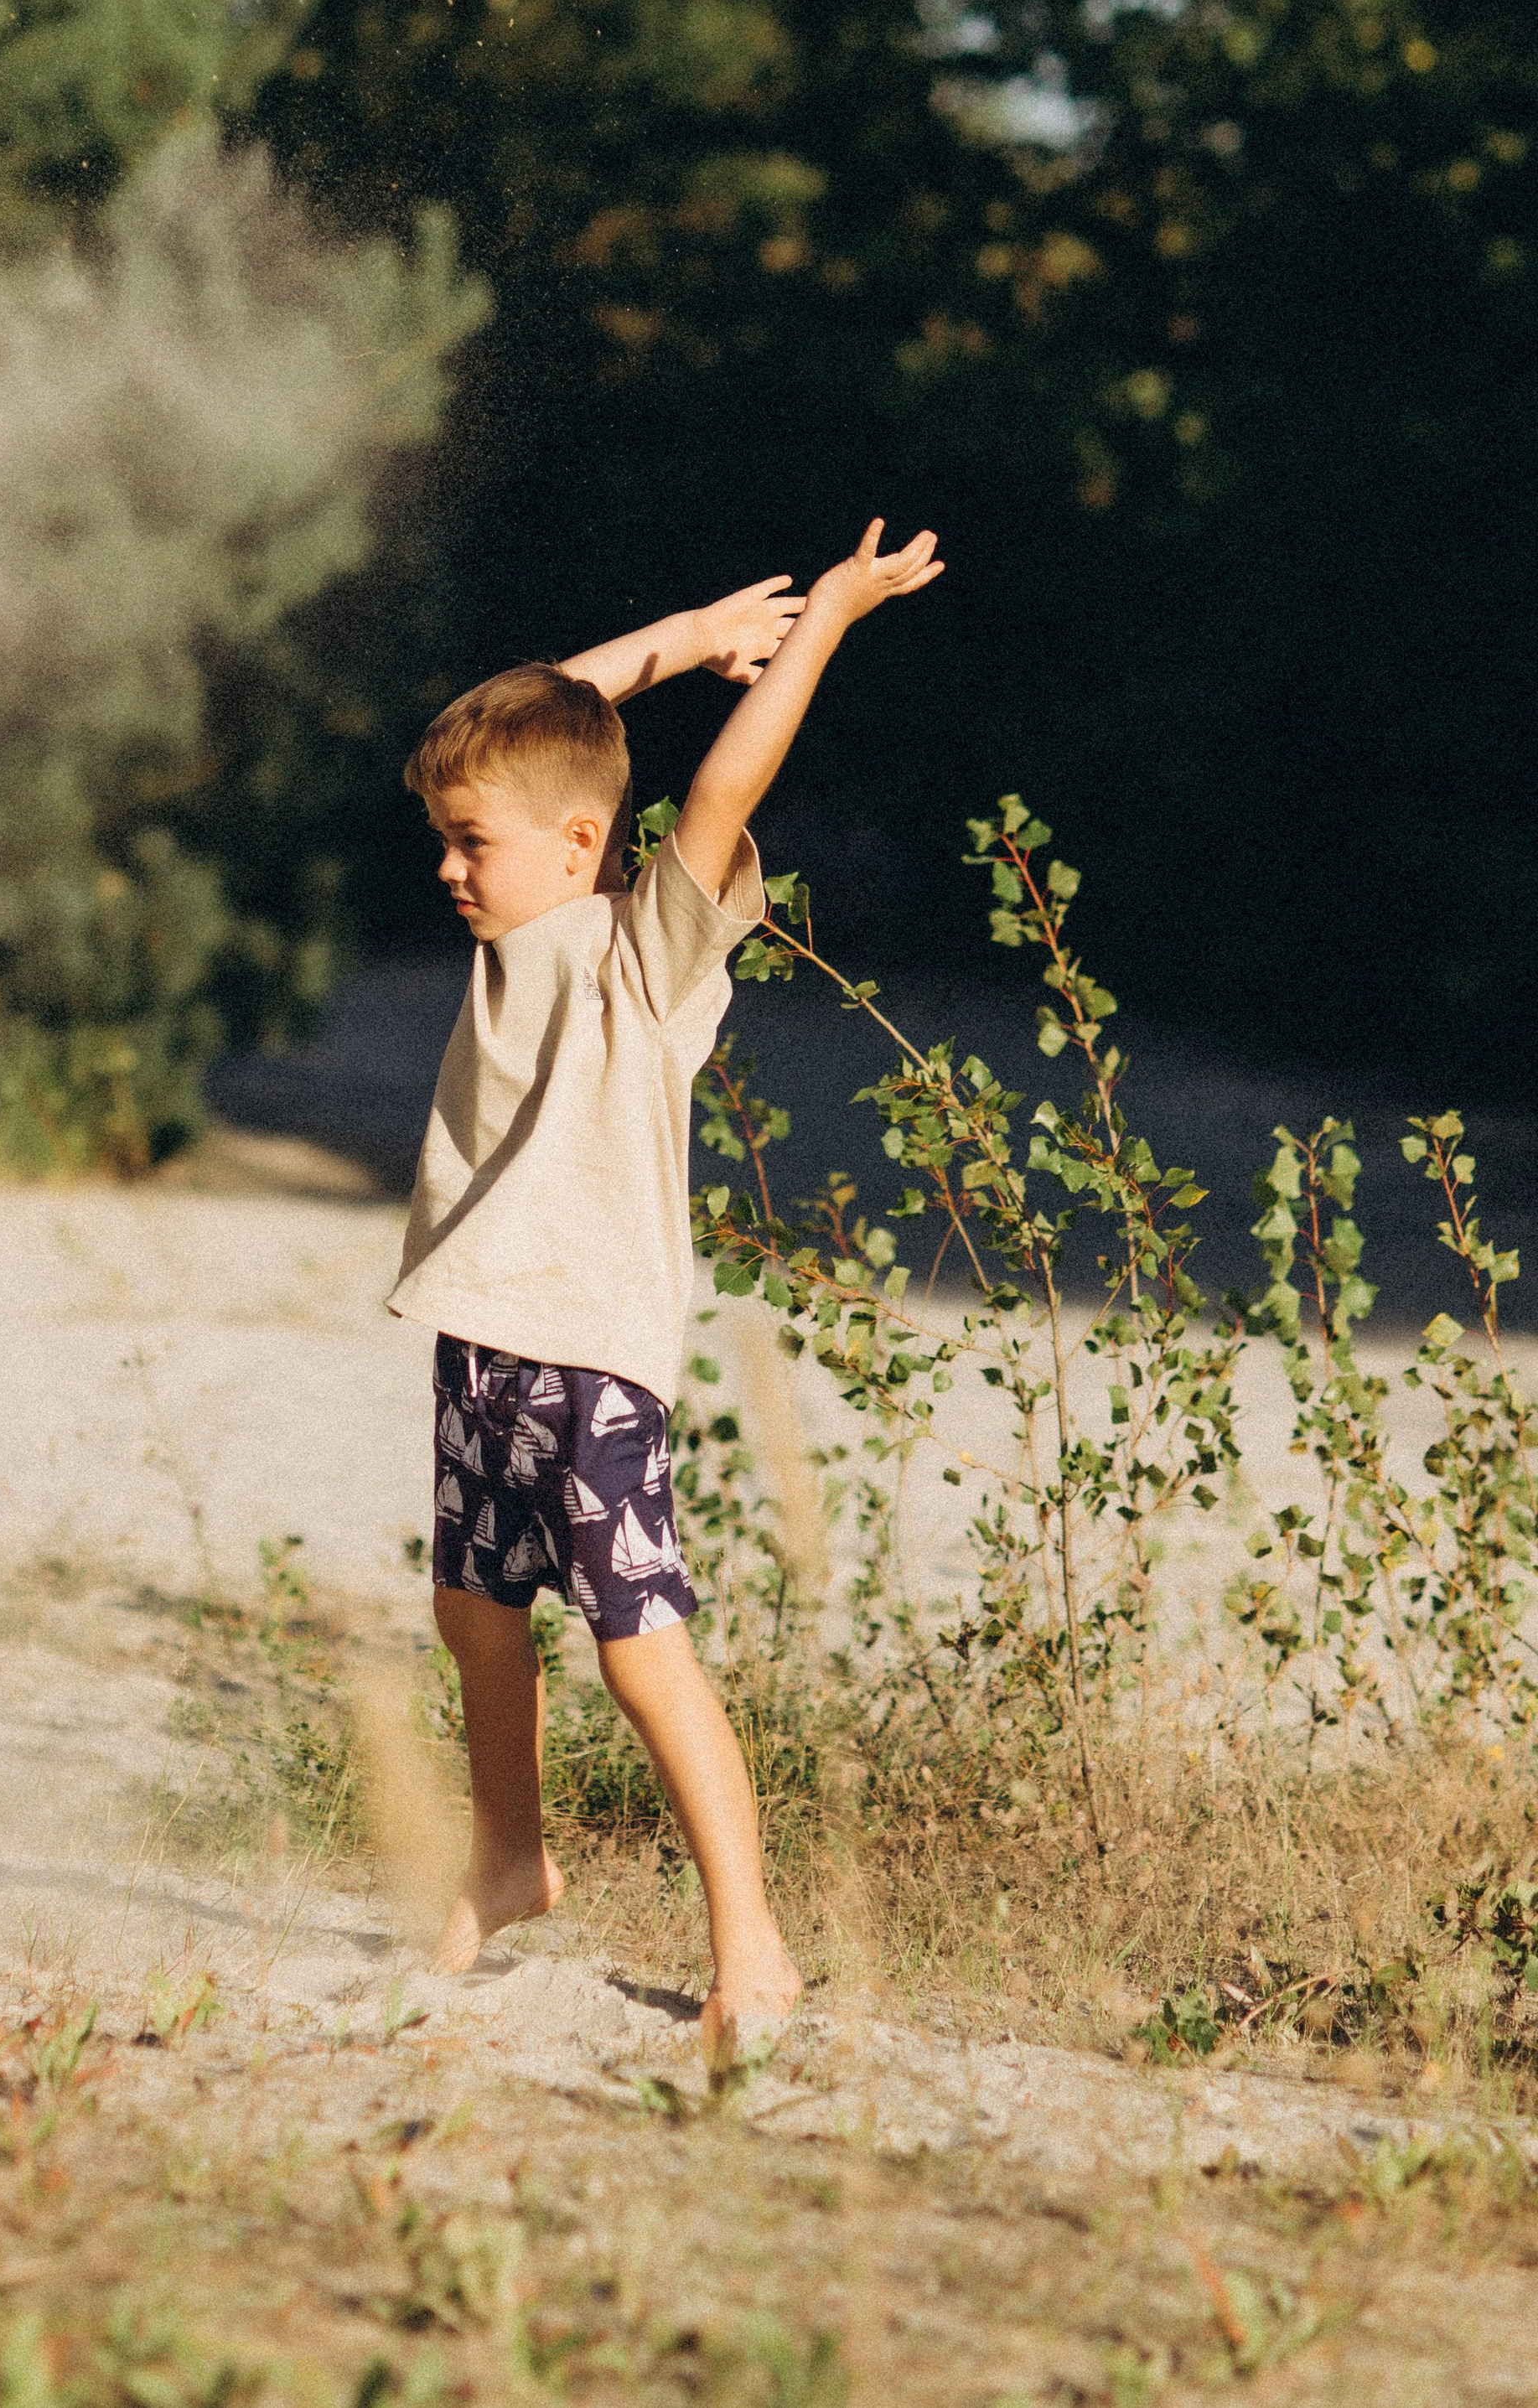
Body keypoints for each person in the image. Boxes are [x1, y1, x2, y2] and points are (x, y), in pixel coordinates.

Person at [389, 520, 944, 2066]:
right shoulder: (517, 919)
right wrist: (688, 634)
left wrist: (823, 621)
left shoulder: (647, 952)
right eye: (444, 837)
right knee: (472, 1613)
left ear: (578, 844)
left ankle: (749, 1934)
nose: (446, 866)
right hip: (482, 1338)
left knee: (638, 1644)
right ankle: (511, 1860)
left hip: (592, 1361)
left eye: (469, 843)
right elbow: (538, 723)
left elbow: (717, 792)